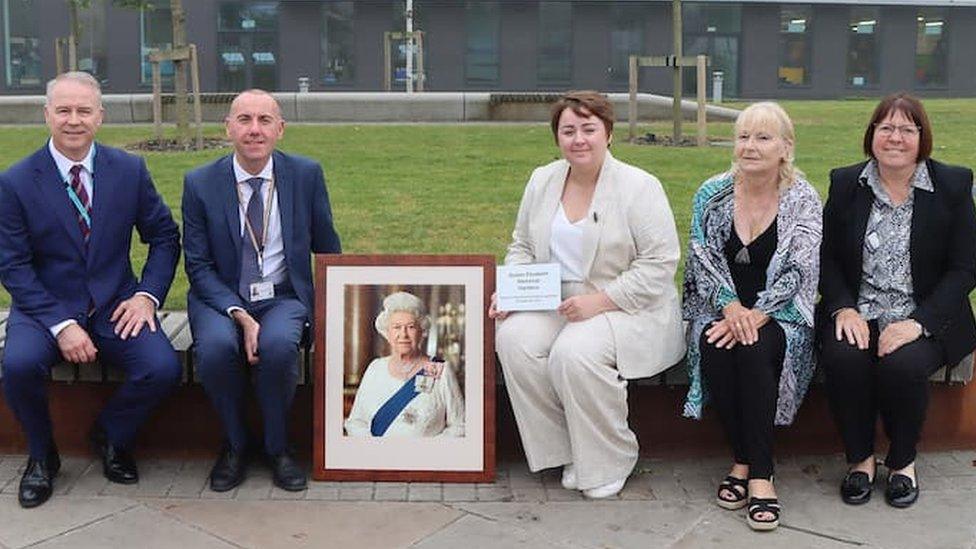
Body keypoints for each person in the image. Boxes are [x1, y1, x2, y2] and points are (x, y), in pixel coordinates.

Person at [0, 72, 182, 508]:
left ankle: (112, 435)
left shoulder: (129, 170)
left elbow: (163, 236)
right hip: (45, 305)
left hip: (115, 302)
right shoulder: (17, 181)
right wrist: (61, 324)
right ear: (47, 114)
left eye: (84, 110)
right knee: (19, 364)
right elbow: (13, 264)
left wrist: (146, 297)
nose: (73, 120)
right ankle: (43, 457)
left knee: (162, 367)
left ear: (100, 116)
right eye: (63, 110)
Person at [492, 90, 685, 499]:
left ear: (608, 133)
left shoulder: (639, 187)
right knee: (514, 340)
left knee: (574, 352)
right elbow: (522, 246)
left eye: (588, 129)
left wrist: (600, 301)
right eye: (568, 131)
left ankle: (611, 458)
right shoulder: (542, 180)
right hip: (556, 300)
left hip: (628, 306)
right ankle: (568, 449)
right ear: (557, 137)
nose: (579, 139)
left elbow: (660, 263)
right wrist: (512, 291)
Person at [820, 93, 976, 509]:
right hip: (861, 311)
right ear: (871, 135)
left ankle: (903, 462)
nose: (895, 137)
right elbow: (827, 257)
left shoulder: (953, 185)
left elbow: (965, 268)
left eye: (907, 129)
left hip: (926, 316)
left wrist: (918, 323)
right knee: (843, 357)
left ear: (922, 137)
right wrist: (843, 307)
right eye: (885, 128)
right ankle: (860, 460)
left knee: (903, 364)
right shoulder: (845, 183)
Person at [182, 89, 342, 492]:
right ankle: (235, 445)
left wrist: (340, 304)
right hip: (220, 298)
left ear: (280, 129)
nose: (254, 129)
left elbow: (327, 246)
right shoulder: (200, 183)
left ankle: (277, 447)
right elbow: (198, 267)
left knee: (278, 347)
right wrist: (239, 314)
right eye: (244, 120)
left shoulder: (305, 175)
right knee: (216, 350)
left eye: (264, 120)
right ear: (228, 128)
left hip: (285, 296)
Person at [682, 102, 822, 531]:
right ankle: (743, 458)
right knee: (714, 345)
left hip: (781, 314)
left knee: (754, 348)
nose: (750, 146)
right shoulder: (712, 193)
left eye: (763, 137)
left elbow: (801, 269)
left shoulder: (803, 198)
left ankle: (759, 473)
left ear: (785, 146)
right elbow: (701, 259)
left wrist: (756, 314)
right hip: (719, 308)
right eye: (744, 136)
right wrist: (730, 308)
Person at [344, 292, 464, 438]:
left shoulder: (441, 370)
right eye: (396, 327)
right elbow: (356, 422)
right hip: (379, 459)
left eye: (411, 327)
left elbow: (460, 425)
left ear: (422, 331)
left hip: (426, 459)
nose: (403, 334)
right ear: (387, 333)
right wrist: (374, 450)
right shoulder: (375, 369)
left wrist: (429, 451)